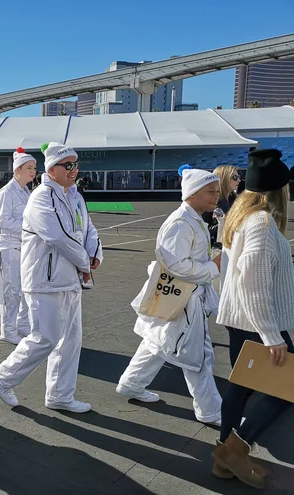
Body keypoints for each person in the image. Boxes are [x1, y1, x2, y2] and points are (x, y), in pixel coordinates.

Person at [0, 142, 100, 414]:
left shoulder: (74, 196)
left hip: (71, 278)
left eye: (76, 165)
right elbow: (58, 236)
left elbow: (89, 229)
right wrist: (85, 261)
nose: (74, 170)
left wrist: (95, 253)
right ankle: (4, 375)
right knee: (45, 337)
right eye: (69, 165)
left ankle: (60, 395)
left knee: (71, 340)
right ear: (53, 169)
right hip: (44, 279)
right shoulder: (41, 197)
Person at [116, 165, 223, 426]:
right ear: (192, 194)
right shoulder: (180, 223)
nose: (216, 196)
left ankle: (131, 384)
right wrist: (213, 267)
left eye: (217, 191)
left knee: (158, 341)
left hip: (178, 296)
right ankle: (211, 412)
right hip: (183, 297)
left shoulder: (193, 219)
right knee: (197, 354)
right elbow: (176, 265)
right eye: (210, 191)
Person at [212, 149, 293, 489]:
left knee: (240, 389)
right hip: (257, 323)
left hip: (241, 320)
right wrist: (272, 335)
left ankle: (224, 455)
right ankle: (236, 448)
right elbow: (254, 284)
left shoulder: (243, 215)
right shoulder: (261, 222)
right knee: (285, 389)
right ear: (279, 190)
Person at [0, 147, 36, 345]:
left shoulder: (26, 191)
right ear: (17, 170)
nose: (33, 171)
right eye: (29, 168)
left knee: (24, 289)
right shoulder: (6, 192)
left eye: (34, 168)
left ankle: (21, 324)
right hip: (10, 247)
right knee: (11, 290)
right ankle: (8, 329)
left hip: (24, 247)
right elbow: (2, 221)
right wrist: (29, 228)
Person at [202, 165, 241, 244]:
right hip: (215, 248)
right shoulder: (212, 202)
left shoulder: (234, 199)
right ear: (224, 179)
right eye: (235, 177)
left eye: (238, 177)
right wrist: (224, 222)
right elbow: (203, 231)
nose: (239, 180)